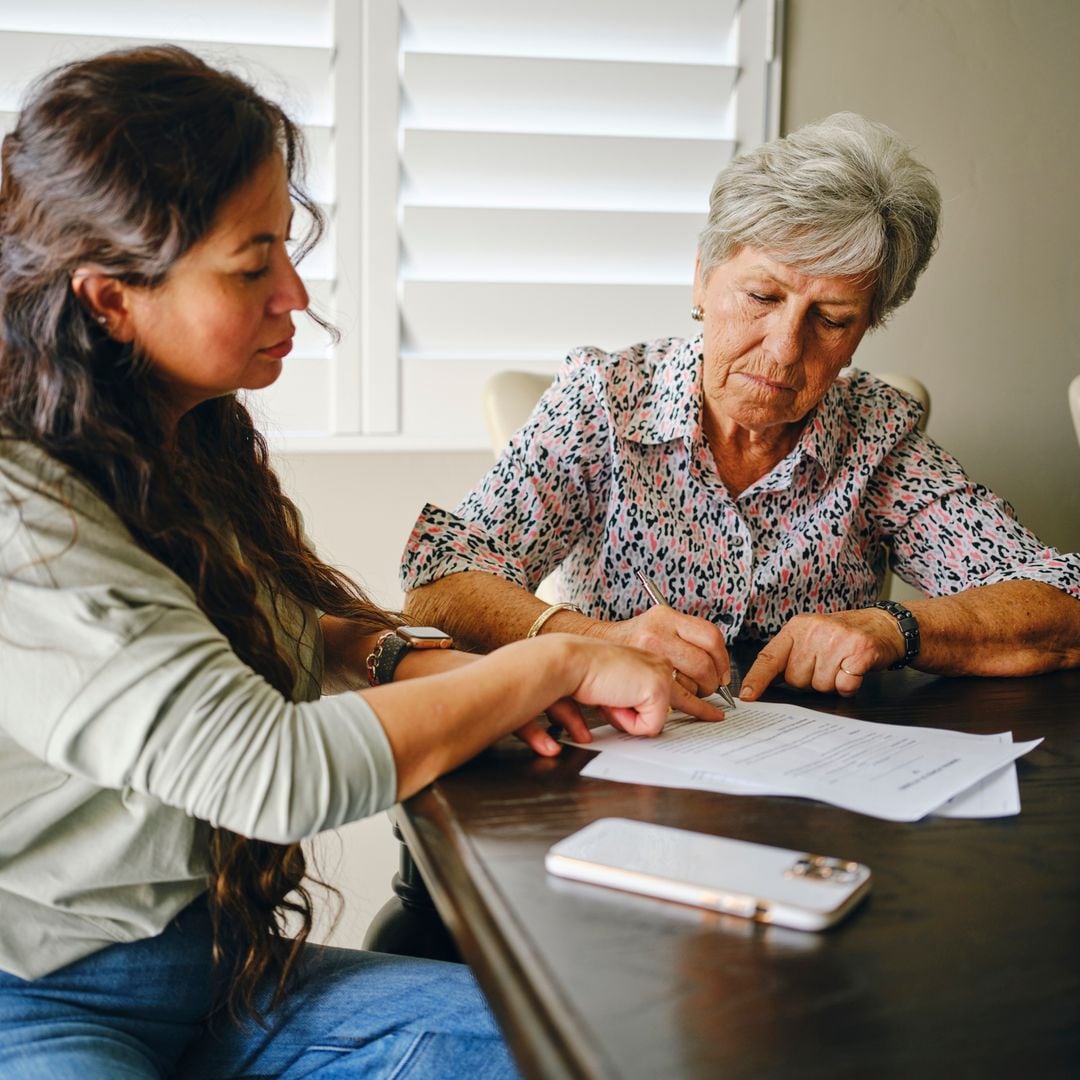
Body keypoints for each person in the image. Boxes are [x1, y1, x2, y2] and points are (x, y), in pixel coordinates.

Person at [0, 46, 723, 1079]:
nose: (295, 293)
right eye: (252, 266)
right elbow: (270, 770)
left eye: (286, 250)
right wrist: (552, 663)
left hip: (224, 977)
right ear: (110, 298)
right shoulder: (22, 520)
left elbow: (274, 624)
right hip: (35, 1002)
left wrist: (423, 661)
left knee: (612, 1046)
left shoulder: (167, 434)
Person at [401, 113, 1080, 700]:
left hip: (818, 773)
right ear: (703, 278)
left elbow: (1060, 599)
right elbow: (441, 580)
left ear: (865, 330)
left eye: (832, 319)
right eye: (761, 297)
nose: (784, 350)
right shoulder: (605, 401)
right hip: (626, 757)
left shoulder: (878, 435)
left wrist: (893, 626)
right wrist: (597, 639)